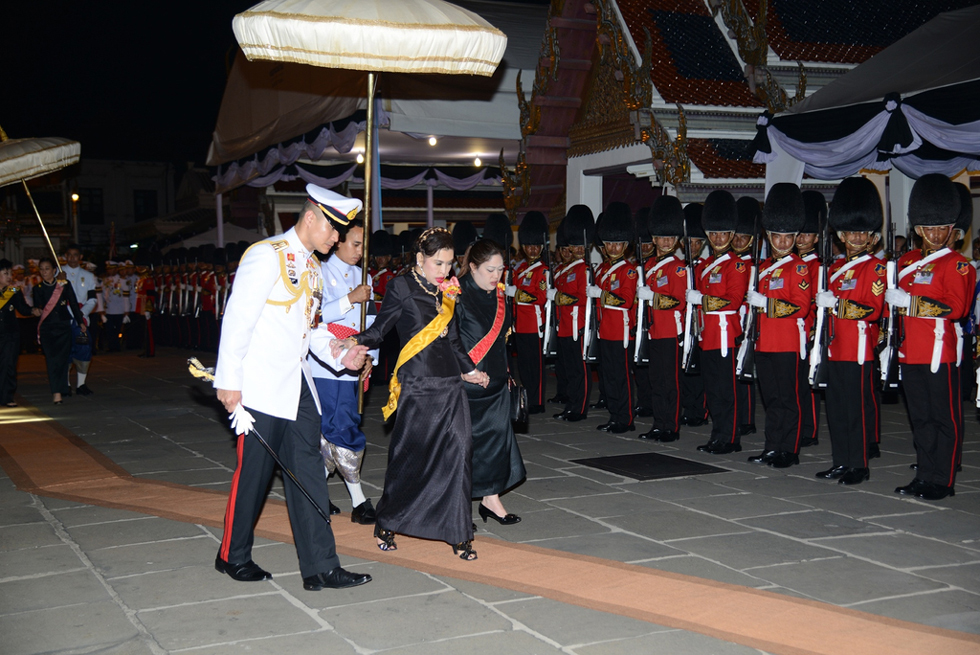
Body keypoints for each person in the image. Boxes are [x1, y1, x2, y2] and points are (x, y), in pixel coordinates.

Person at [213, 183, 373, 591]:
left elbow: (312, 330)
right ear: (311, 218)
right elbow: (238, 319)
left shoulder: (313, 269)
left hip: (298, 388)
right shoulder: (266, 256)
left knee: (309, 477)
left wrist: (342, 355)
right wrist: (228, 381)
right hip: (261, 388)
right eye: (334, 230)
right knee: (254, 475)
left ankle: (322, 566)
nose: (336, 239)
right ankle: (233, 555)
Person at [348, 227, 489, 561]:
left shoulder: (447, 291)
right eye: (438, 263)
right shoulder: (401, 286)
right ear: (420, 258)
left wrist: (470, 370)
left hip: (449, 386)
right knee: (410, 458)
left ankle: (457, 531)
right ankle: (388, 521)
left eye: (450, 264)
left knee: (458, 455)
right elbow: (381, 329)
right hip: (417, 385)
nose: (444, 271)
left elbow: (453, 341)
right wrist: (354, 342)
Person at [889, 174, 975, 501]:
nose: (936, 234)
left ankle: (943, 479)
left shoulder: (958, 265)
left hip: (940, 353)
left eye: (942, 227)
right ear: (919, 229)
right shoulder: (908, 262)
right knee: (920, 419)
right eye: (930, 227)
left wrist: (909, 302)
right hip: (911, 352)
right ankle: (924, 474)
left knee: (944, 419)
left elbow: (956, 308)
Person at [814, 177, 886, 486]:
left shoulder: (876, 268)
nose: (857, 237)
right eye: (851, 232)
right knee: (837, 410)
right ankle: (841, 461)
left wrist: (836, 304)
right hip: (834, 346)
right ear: (841, 235)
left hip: (857, 348)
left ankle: (859, 464)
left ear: (871, 236)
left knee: (856, 411)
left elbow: (872, 309)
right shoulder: (832, 268)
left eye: (863, 232)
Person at [310, 218, 378, 524]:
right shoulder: (320, 273)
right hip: (328, 361)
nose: (360, 251)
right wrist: (350, 299)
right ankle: (359, 500)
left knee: (335, 429)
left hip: (356, 357)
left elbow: (373, 320)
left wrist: (371, 357)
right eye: (355, 243)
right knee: (342, 427)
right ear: (337, 241)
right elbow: (313, 316)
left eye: (363, 245)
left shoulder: (365, 276)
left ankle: (312, 491)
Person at [456, 239, 526, 525]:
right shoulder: (455, 294)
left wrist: (507, 374)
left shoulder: (498, 296)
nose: (496, 276)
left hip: (495, 382)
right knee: (463, 445)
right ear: (472, 267)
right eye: (489, 269)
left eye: (500, 269)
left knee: (497, 441)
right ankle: (457, 504)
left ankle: (490, 498)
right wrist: (464, 369)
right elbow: (446, 339)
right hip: (466, 382)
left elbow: (502, 341)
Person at [744, 184, 812, 469]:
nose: (783, 242)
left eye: (788, 237)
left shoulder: (798, 268)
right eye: (777, 236)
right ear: (768, 236)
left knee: (789, 399)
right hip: (764, 342)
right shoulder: (762, 268)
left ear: (795, 237)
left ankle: (789, 448)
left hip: (786, 342)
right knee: (771, 399)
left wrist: (766, 302)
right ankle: (772, 445)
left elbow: (801, 306)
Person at [687, 191, 750, 454]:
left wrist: (702, 299)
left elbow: (733, 301)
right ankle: (718, 434)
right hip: (707, 335)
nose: (717, 238)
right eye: (713, 233)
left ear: (731, 235)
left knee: (726, 391)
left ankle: (731, 437)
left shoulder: (735, 266)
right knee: (712, 390)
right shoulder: (704, 266)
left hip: (724, 335)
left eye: (723, 234)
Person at [636, 196, 687, 441]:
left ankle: (671, 426)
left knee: (670, 383)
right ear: (654, 238)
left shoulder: (678, 268)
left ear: (676, 241)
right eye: (661, 237)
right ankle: (659, 423)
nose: (666, 241)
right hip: (653, 331)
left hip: (670, 331)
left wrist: (652, 297)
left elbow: (679, 301)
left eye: (670, 238)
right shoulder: (648, 266)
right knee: (656, 381)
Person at [590, 202, 639, 433]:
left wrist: (602, 294)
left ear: (625, 245)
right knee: (608, 377)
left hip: (620, 331)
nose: (612, 247)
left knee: (621, 377)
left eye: (617, 243)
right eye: (609, 243)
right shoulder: (601, 270)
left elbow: (626, 301)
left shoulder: (628, 271)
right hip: (604, 330)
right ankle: (614, 415)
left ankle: (626, 418)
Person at [553, 205, 595, 422]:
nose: (578, 249)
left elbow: (584, 298)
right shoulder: (567, 270)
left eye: (581, 246)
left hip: (578, 325)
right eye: (574, 245)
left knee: (580, 370)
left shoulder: (585, 269)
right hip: (565, 326)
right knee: (570, 370)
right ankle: (571, 405)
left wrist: (560, 298)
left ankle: (580, 408)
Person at [507, 211, 550, 415]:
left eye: (536, 245)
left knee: (535, 366)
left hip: (534, 323)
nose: (532, 249)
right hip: (520, 324)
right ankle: (528, 397)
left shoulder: (543, 270)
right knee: (524, 365)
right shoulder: (520, 268)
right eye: (529, 245)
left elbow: (539, 297)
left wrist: (517, 294)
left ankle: (538, 400)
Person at [33, 258, 87, 404]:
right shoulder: (37, 288)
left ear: (54, 270)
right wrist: (36, 310)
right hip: (47, 329)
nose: (44, 272)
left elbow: (74, 304)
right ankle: (56, 393)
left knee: (62, 361)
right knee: (51, 361)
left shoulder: (64, 285)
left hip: (63, 328)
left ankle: (62, 389)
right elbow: (38, 307)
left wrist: (80, 321)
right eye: (42, 269)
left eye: (47, 268)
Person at [62, 244, 97, 395]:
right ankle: (66, 384)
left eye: (75, 255)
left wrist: (81, 314)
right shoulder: (59, 272)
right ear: (65, 256)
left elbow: (92, 299)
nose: (72, 258)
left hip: (81, 317)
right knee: (65, 350)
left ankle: (81, 384)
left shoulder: (89, 276)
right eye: (69, 255)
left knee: (84, 348)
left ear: (81, 257)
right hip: (63, 317)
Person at [1, 259, 37, 407]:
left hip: (11, 335)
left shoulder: (13, 291)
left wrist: (33, 310)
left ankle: (7, 396)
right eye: (5, 273)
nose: (9, 276)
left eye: (10, 273)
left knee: (9, 365)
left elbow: (23, 308)